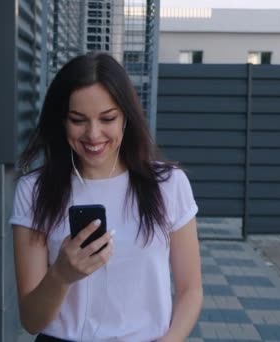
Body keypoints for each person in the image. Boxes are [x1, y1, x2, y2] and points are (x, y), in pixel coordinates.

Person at [10, 52, 202, 342]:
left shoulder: (168, 185)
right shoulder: (34, 191)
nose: (93, 134)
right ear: (61, 122)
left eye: (107, 118)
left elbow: (190, 290)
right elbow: (32, 320)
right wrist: (60, 275)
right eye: (78, 120)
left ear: (126, 116)